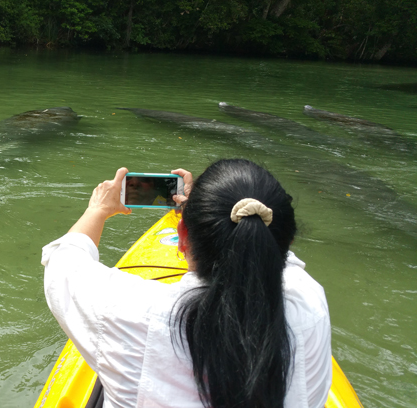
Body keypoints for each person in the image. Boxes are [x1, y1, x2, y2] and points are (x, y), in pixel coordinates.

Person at [41, 159, 332, 408]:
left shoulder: (129, 312)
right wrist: (202, 219)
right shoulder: (311, 303)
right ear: (286, 240)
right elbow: (277, 254)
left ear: (182, 237)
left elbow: (63, 263)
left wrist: (98, 209)